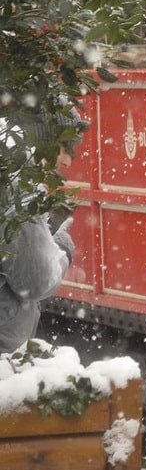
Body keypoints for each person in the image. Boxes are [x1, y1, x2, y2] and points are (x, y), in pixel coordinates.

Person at [0, 112, 77, 355]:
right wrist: (61, 250)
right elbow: (33, 281)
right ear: (43, 141)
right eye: (65, 148)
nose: (68, 162)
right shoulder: (18, 183)